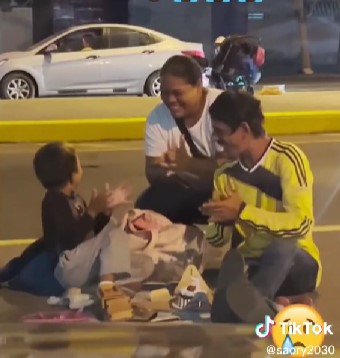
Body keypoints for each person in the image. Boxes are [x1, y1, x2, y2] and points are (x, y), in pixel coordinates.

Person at [199, 91, 321, 323]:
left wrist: (243, 211)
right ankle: (276, 307)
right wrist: (222, 221)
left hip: (296, 263)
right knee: (232, 267)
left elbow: (301, 224)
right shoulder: (224, 175)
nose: (217, 139)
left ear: (244, 130)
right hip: (252, 262)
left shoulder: (288, 159)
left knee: (283, 245)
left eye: (221, 132)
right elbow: (215, 240)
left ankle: (262, 304)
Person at [33, 142, 133, 299]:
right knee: (115, 230)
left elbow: (90, 234)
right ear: (71, 174)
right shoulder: (53, 201)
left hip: (79, 264)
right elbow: (70, 240)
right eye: (79, 166)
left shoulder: (75, 198)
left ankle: (98, 286)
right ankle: (107, 288)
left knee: (138, 260)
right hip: (66, 267)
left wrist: (104, 213)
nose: (82, 170)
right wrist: (92, 211)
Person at [135, 55, 225, 225]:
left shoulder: (222, 107)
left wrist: (187, 165)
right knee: (146, 205)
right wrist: (171, 170)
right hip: (187, 192)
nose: (170, 100)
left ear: (198, 85)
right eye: (165, 93)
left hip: (225, 193)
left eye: (178, 93)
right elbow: (152, 173)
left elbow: (230, 168)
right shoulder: (157, 117)